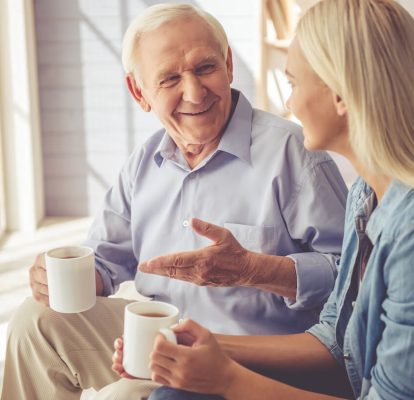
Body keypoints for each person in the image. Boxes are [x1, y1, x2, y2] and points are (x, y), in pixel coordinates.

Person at [0, 3, 348, 400]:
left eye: (205, 68)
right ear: (139, 92)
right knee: (37, 320)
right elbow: (104, 258)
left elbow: (354, 280)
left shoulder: (295, 153)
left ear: (229, 64)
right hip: (153, 340)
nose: (195, 92)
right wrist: (61, 278)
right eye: (169, 79)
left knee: (121, 397)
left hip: (250, 361)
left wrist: (254, 270)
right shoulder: (144, 163)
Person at [110, 0, 414, 399]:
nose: (288, 104)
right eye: (169, 79)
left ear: (340, 94)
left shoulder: (407, 234)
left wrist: (227, 378)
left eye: (292, 83)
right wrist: (195, 344)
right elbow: (336, 340)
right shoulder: (366, 197)